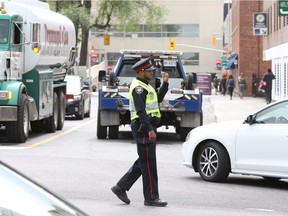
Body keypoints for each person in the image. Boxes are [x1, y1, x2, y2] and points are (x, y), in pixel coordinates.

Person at [111, 57, 168, 207]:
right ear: (142, 72)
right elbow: (141, 110)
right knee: (149, 163)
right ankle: (151, 198)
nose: (152, 72)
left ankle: (121, 187)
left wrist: (165, 84)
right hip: (143, 127)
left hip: (146, 125)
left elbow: (157, 100)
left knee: (145, 161)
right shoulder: (138, 88)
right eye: (149, 70)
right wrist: (149, 129)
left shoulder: (145, 85)